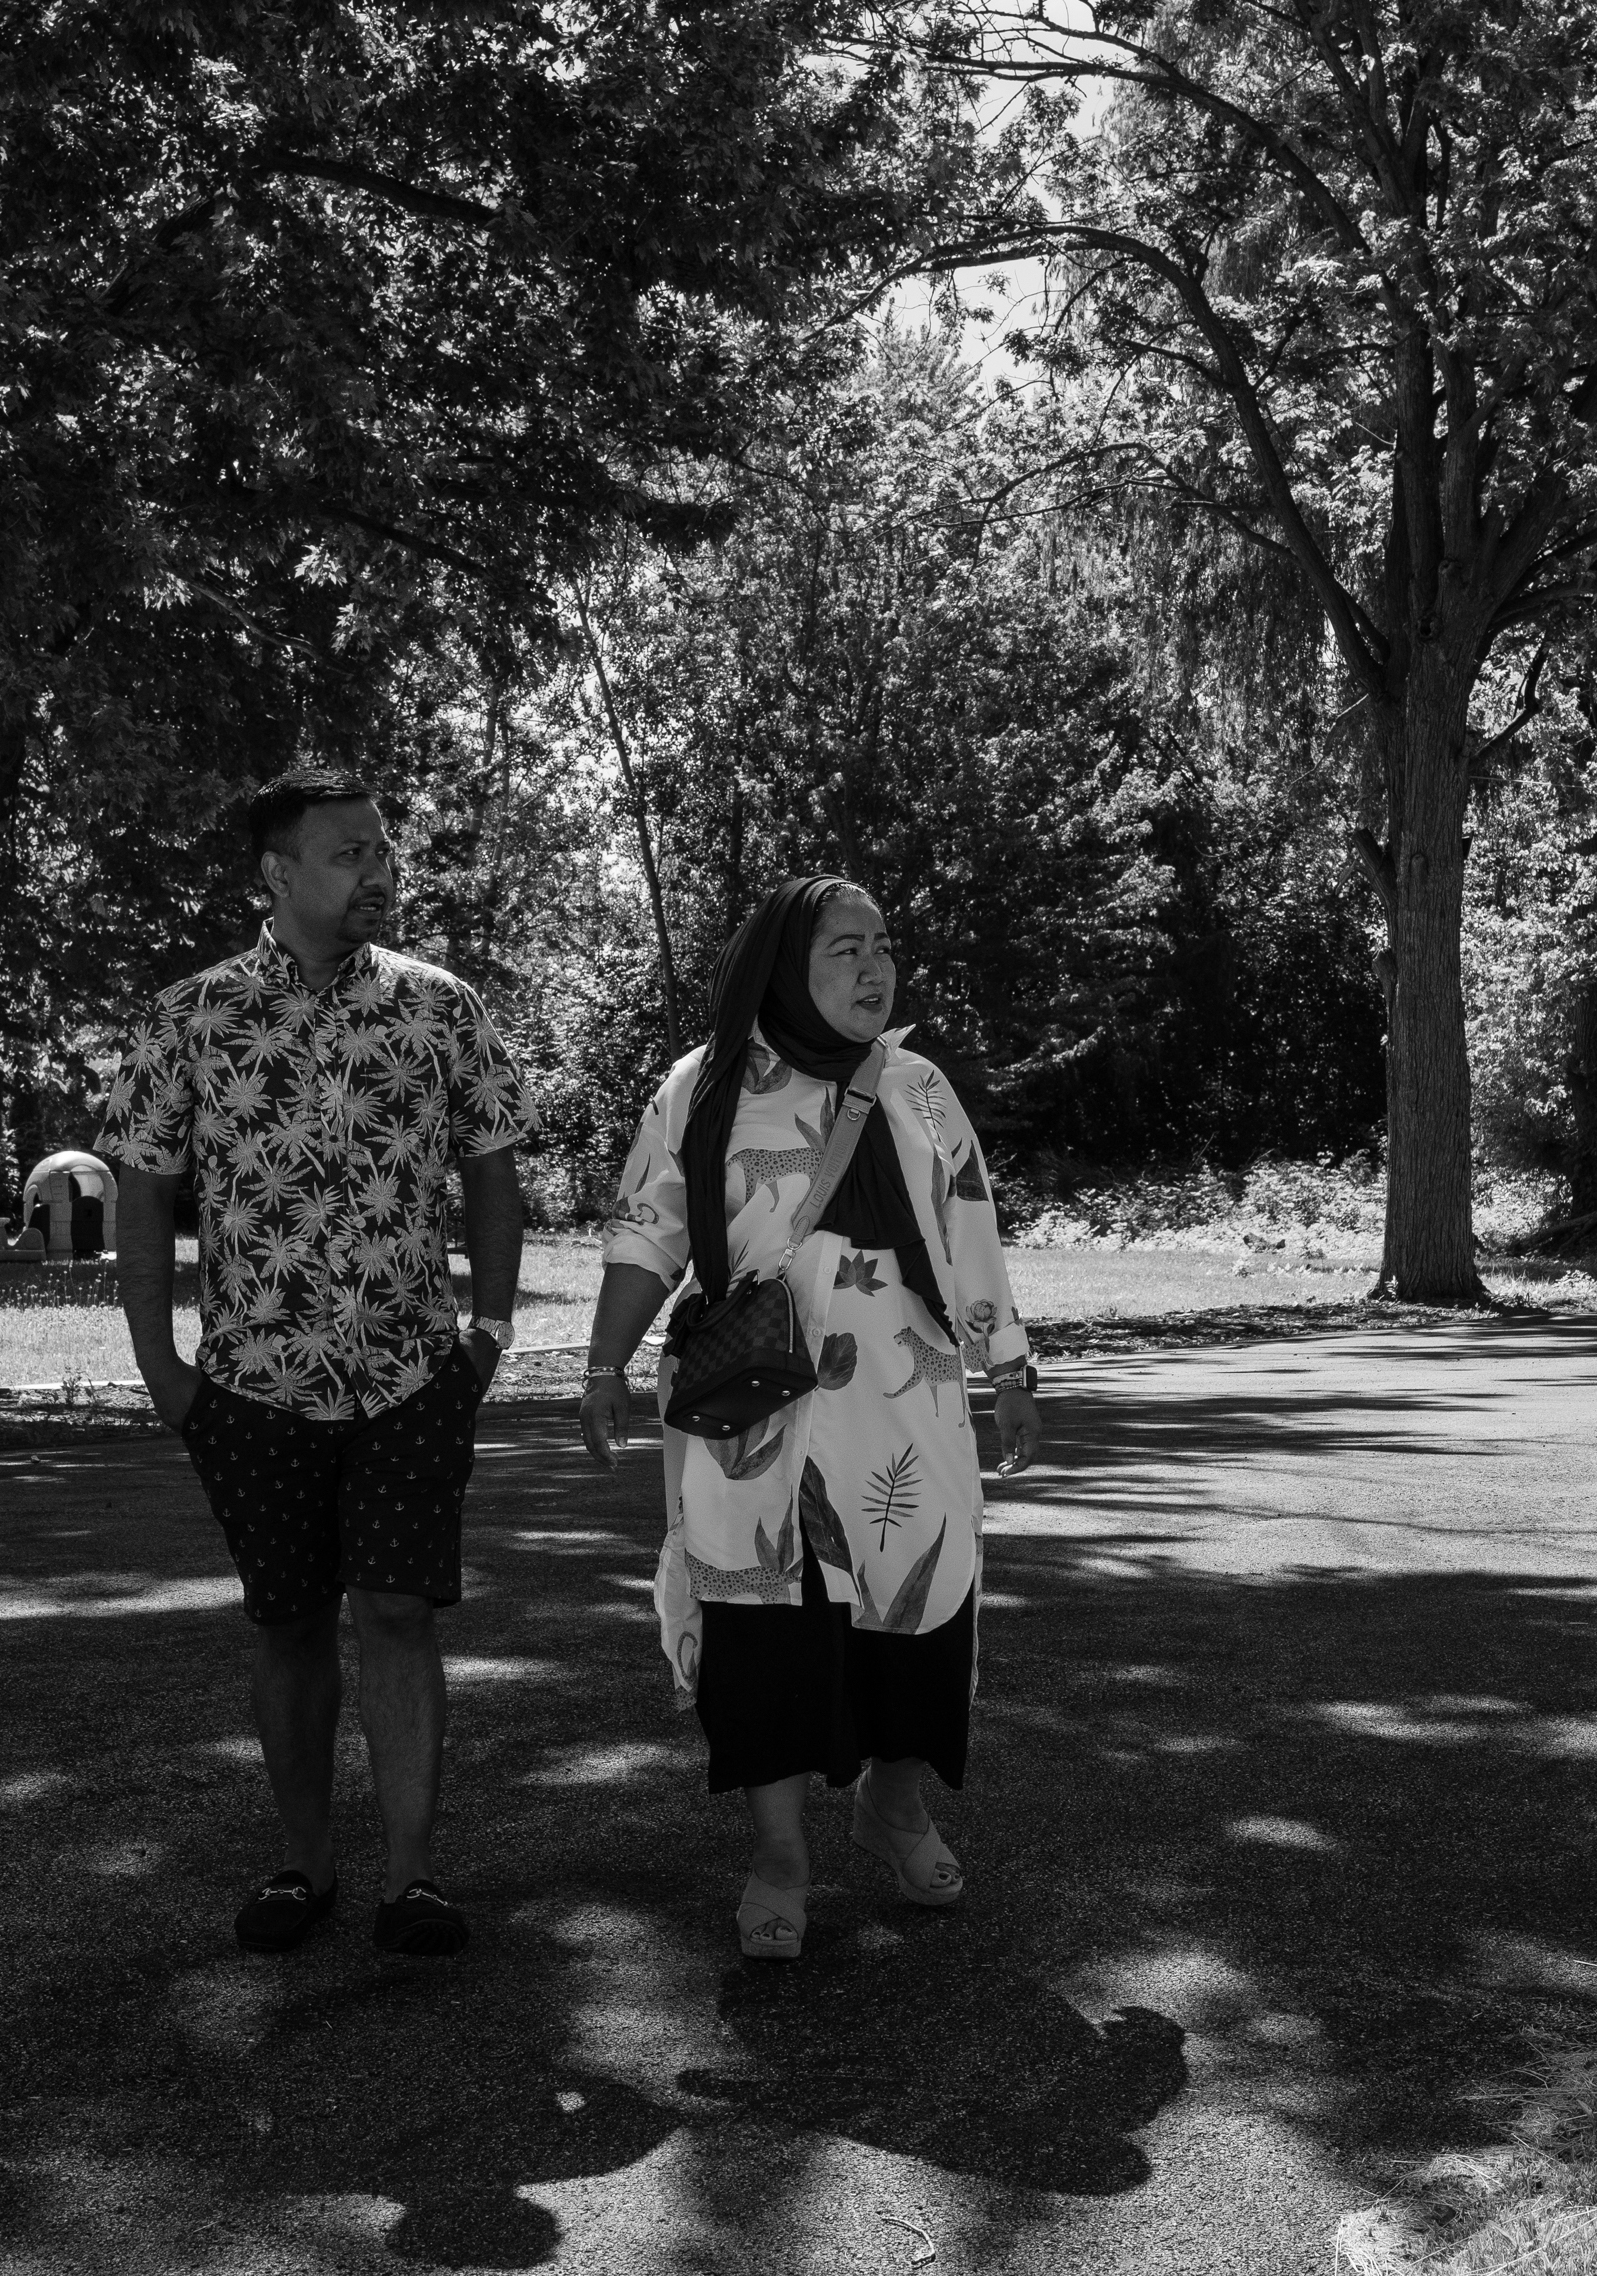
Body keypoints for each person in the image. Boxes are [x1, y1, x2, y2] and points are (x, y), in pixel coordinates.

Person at [105, 763, 531, 1959]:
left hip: (410, 1373)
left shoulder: (440, 1005)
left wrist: (487, 1333)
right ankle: (303, 1865)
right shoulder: (189, 1014)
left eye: (382, 850)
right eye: (350, 854)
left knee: (397, 1608)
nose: (379, 872)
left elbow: (494, 1167)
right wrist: (161, 1366)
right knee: (289, 1621)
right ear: (278, 871)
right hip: (250, 1381)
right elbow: (143, 1194)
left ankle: (412, 1882)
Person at [578, 880, 1039, 1959]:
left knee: (918, 1607)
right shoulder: (701, 1086)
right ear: (786, 963)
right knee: (760, 1623)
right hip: (753, 1403)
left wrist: (1010, 1368)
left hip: (906, 1392)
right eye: (845, 949)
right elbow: (647, 1236)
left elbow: (971, 1228)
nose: (874, 968)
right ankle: (779, 1853)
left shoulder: (918, 1088)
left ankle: (895, 1803)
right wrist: (601, 1361)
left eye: (882, 946)